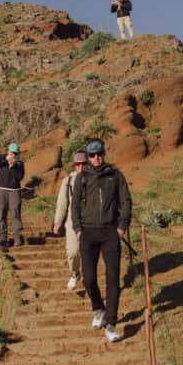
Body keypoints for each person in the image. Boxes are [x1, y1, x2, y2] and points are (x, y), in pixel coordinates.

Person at [71, 139, 132, 343]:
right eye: (92, 155)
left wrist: (122, 226)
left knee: (113, 279)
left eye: (99, 154)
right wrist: (78, 228)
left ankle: (111, 324)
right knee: (88, 279)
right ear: (87, 158)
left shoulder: (115, 175)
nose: (96, 158)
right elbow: (75, 205)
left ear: (104, 153)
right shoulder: (82, 178)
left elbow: (126, 201)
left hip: (110, 233)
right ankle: (98, 308)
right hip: (88, 233)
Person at [53, 151, 87, 290]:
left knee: (88, 252)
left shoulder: (95, 179)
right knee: (73, 252)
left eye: (84, 163)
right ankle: (75, 273)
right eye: (78, 164)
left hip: (91, 221)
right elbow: (62, 202)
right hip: (73, 221)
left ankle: (89, 279)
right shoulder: (68, 181)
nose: (81, 167)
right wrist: (58, 222)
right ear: (75, 165)